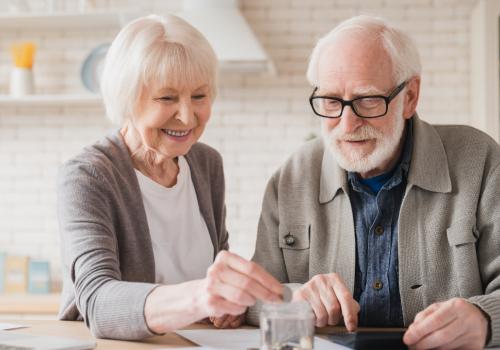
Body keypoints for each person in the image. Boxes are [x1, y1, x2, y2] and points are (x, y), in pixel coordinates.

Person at [248, 15, 500, 349]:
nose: (347, 123)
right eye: (331, 101)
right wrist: (293, 298)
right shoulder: (292, 176)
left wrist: (484, 317)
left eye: (367, 100)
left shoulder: (478, 159)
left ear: (410, 97)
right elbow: (252, 299)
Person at [57, 14, 284, 340]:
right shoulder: (88, 175)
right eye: (167, 97)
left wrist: (227, 306)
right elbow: (98, 301)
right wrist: (199, 298)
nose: (187, 116)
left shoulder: (207, 164)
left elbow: (216, 268)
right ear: (126, 98)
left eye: (199, 96)